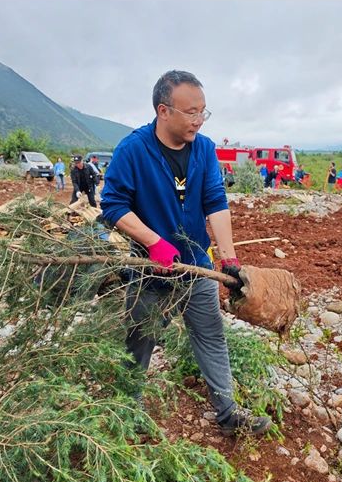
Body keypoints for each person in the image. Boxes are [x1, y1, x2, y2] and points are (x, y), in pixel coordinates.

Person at [100, 69, 271, 438]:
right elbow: (112, 205)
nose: (199, 120)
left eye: (203, 111)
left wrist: (229, 259)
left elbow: (215, 202)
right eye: (191, 112)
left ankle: (227, 413)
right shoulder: (133, 150)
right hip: (150, 271)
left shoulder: (204, 149)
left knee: (211, 336)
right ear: (163, 111)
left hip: (196, 267)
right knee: (140, 340)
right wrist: (153, 242)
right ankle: (128, 411)